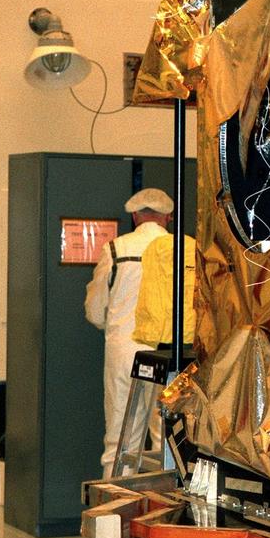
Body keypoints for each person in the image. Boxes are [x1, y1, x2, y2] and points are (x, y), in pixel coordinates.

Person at [84, 188, 173, 477]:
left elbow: (96, 310)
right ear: (168, 218)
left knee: (120, 440)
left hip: (124, 351)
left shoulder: (116, 249)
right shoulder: (183, 249)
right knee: (168, 441)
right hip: (168, 352)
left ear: (135, 216)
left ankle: (115, 512)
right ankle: (166, 508)